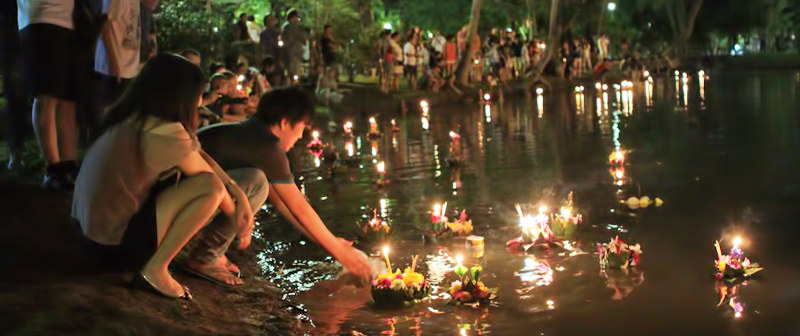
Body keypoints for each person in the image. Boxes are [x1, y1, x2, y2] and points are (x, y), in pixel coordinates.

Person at [73, 53, 261, 299]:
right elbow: (210, 181)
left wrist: (237, 192)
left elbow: (200, 155)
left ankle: (191, 257)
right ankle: (156, 269)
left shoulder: (133, 117)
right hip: (113, 250)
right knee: (209, 188)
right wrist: (240, 221)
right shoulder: (164, 131)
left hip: (89, 238)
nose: (199, 102)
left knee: (217, 184)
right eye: (198, 94)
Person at [198, 87, 373, 280]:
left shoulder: (252, 132)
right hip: (183, 197)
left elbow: (282, 204)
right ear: (284, 123)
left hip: (184, 194)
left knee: (258, 183)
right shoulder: (269, 148)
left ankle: (213, 252)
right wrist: (343, 256)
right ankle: (205, 257)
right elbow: (300, 207)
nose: (300, 137)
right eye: (301, 128)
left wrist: (330, 242)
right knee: (257, 184)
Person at [18, 0, 80, 189]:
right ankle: (53, 169)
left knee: (68, 100)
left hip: (68, 21)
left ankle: (68, 164)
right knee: (46, 96)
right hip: (42, 20)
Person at [95, 0, 141, 116]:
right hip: (115, 69)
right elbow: (105, 23)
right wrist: (113, 61)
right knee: (107, 115)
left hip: (128, 68)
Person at [282, 9, 310, 82]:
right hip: (290, 54)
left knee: (297, 73)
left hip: (297, 55)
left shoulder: (297, 27)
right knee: (292, 73)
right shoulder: (288, 27)